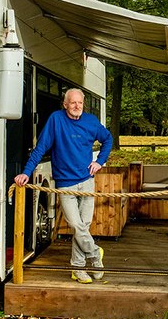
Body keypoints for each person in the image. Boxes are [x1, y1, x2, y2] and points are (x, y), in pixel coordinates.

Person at [15, 88, 113, 284]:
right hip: (65, 184)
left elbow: (108, 139)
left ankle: (78, 268)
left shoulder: (91, 121)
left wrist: (100, 162)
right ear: (65, 104)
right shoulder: (56, 120)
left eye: (80, 103)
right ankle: (95, 254)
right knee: (76, 225)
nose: (77, 106)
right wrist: (26, 172)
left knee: (83, 226)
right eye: (73, 102)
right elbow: (40, 148)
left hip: (87, 181)